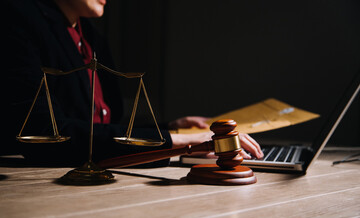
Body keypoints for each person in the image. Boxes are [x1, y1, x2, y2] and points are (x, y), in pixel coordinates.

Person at [1, 0, 263, 167]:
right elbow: (46, 134)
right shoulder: (17, 20)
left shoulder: (91, 36)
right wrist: (184, 142)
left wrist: (171, 127)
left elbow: (101, 131)